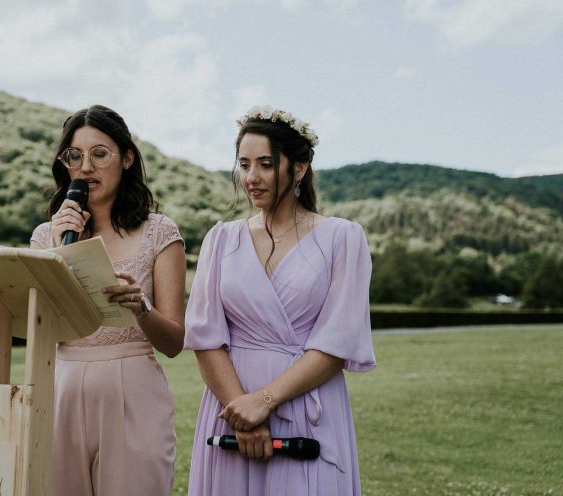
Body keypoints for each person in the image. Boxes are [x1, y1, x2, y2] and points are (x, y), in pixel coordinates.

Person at [184, 106, 376, 495]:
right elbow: (206, 338)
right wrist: (243, 411)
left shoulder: (343, 238)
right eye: (244, 164)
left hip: (306, 404)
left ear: (300, 167)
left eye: (266, 164)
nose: (251, 178)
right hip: (230, 409)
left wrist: (266, 401)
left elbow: (336, 342)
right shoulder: (220, 239)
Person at [30, 105, 185, 496]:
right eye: (74, 156)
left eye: (100, 154)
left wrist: (141, 309)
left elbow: (174, 342)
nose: (85, 168)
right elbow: (35, 331)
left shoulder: (159, 231)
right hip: (59, 388)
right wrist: (56, 248)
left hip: (134, 390)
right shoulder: (45, 237)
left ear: (127, 158)